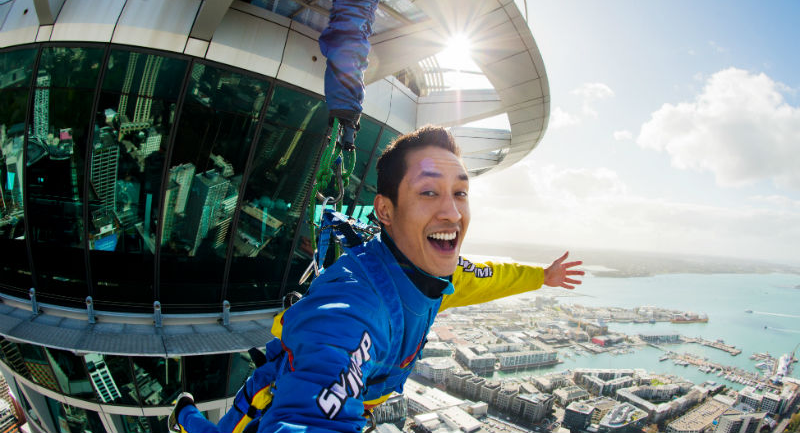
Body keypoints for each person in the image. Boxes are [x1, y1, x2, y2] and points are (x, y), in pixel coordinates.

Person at [170, 125, 583, 433]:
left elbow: (491, 276)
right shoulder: (354, 305)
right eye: (428, 192)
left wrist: (542, 276)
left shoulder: (435, 274)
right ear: (384, 211)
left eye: (459, 193)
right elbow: (314, 402)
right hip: (272, 393)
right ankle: (184, 415)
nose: (453, 214)